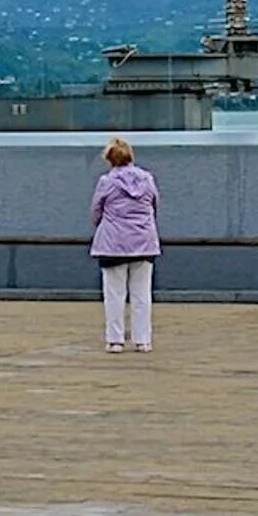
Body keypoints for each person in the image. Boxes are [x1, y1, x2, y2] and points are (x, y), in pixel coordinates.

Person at [90, 136, 159, 354]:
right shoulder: (147, 179)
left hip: (113, 243)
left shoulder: (106, 182)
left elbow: (95, 212)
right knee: (142, 294)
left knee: (114, 294)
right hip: (144, 242)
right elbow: (155, 205)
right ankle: (143, 340)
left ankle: (115, 340)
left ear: (109, 159)